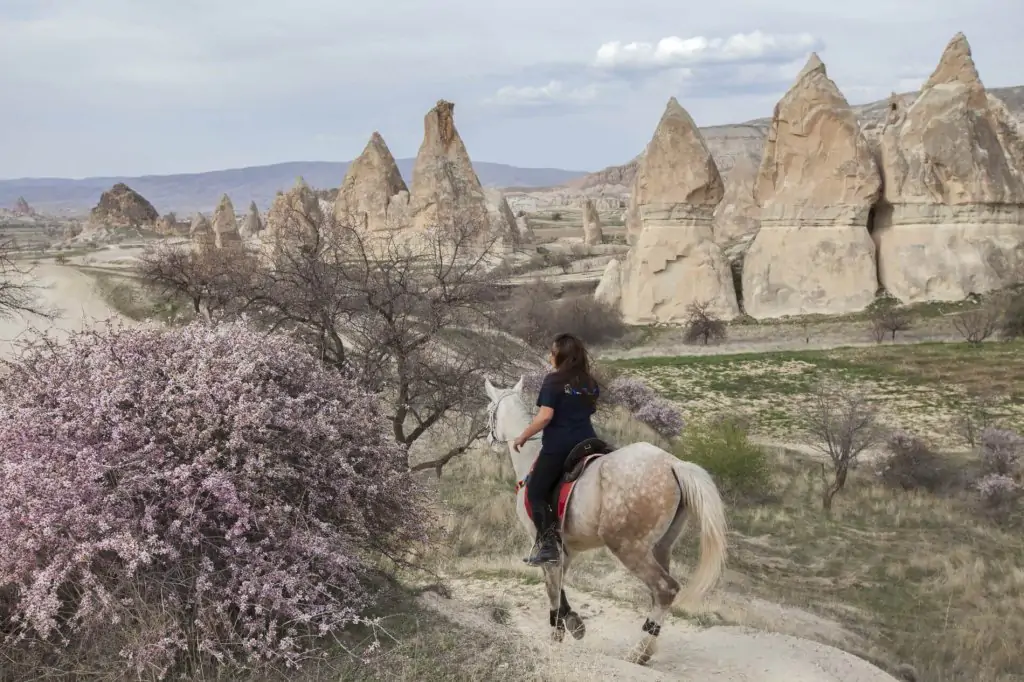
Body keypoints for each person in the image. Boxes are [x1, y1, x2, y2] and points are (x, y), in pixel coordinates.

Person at [513, 333, 600, 565]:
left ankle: (549, 546)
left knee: (535, 491)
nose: (550, 356)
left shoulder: (553, 381)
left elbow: (545, 417)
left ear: (562, 356)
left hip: (561, 446)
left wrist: (523, 436)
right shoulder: (590, 383)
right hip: (591, 442)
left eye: (552, 352)